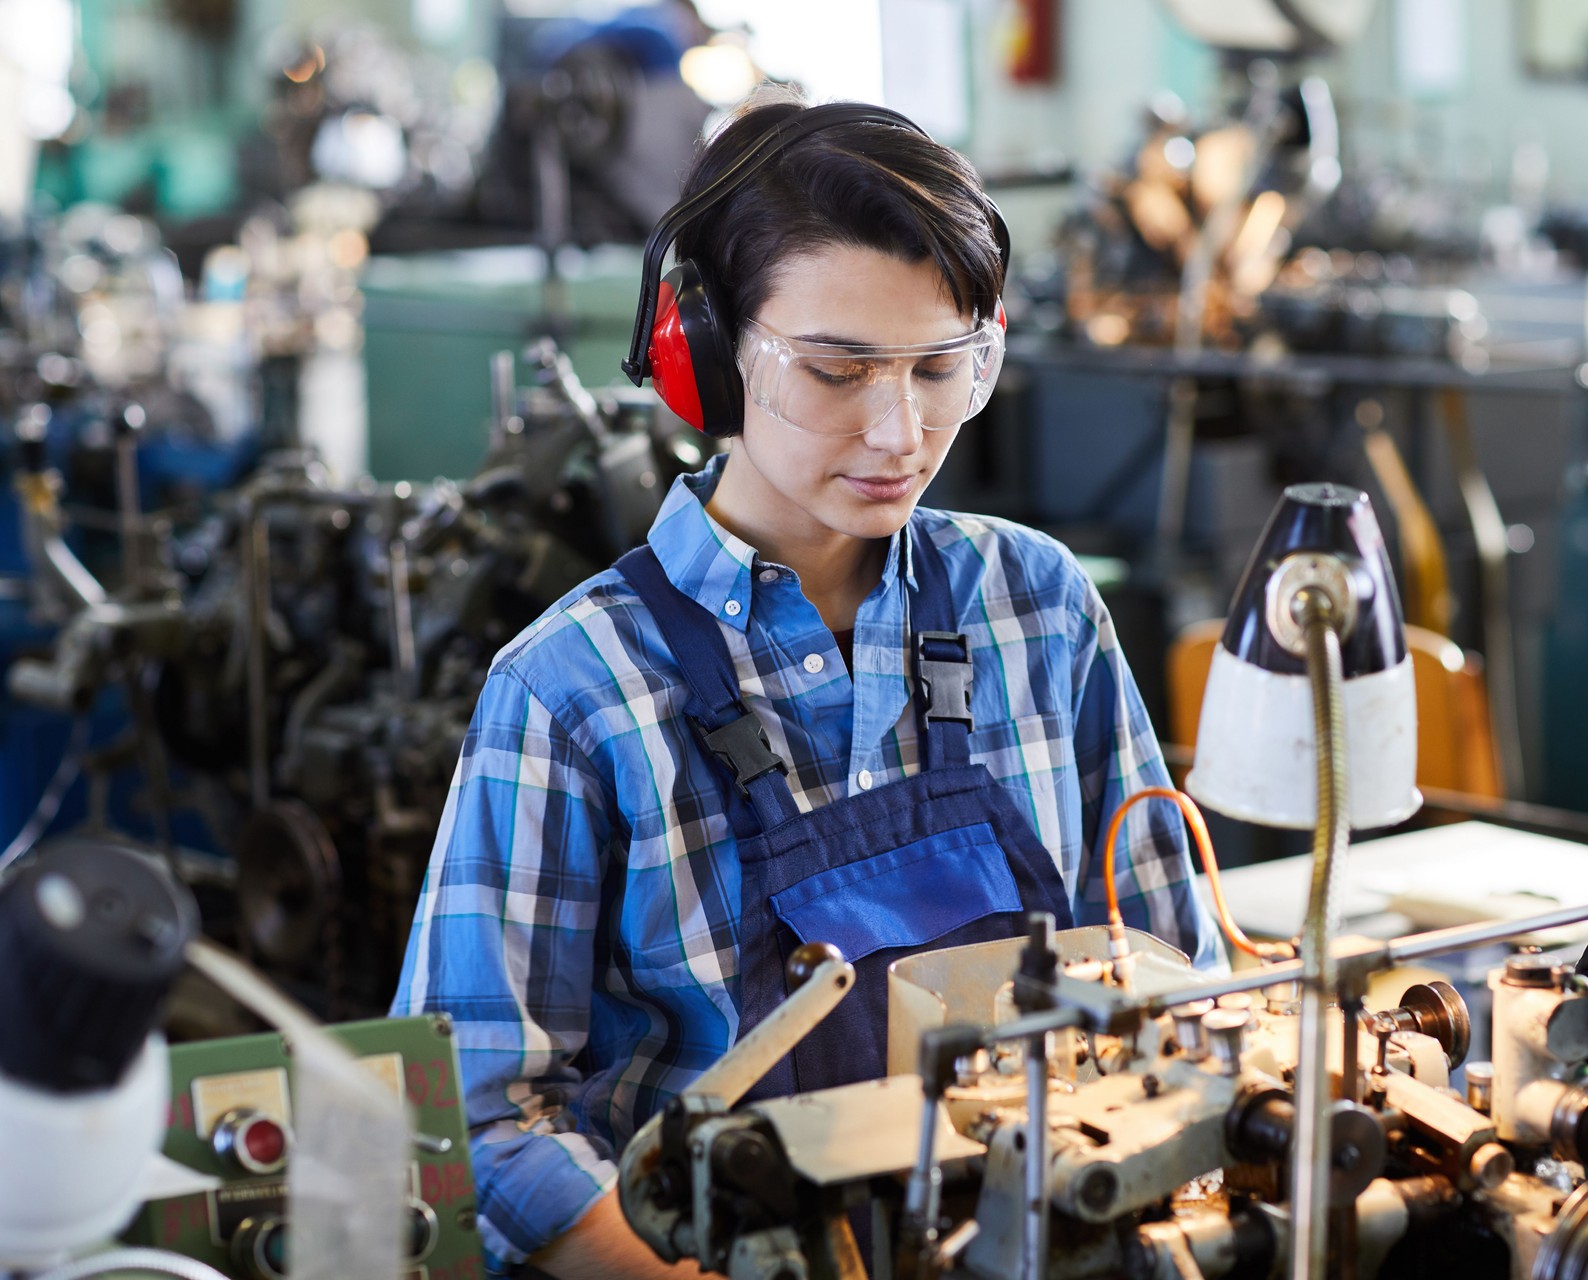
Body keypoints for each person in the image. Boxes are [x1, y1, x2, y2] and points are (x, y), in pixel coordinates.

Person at [392, 90, 1226, 1278]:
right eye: (838, 371)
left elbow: (1167, 978)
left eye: (945, 368)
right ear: (708, 352)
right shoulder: (575, 692)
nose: (901, 431)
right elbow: (482, 1118)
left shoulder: (1037, 606)